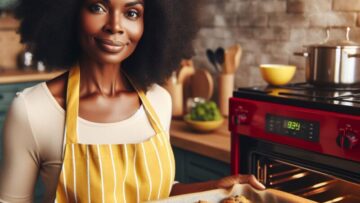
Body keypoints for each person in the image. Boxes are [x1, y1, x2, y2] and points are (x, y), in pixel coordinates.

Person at [0, 0, 265, 202]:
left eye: (132, 13)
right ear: (69, 13)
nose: (115, 25)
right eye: (98, 7)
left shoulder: (158, 101)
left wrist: (217, 186)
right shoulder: (34, 110)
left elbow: (158, 193)